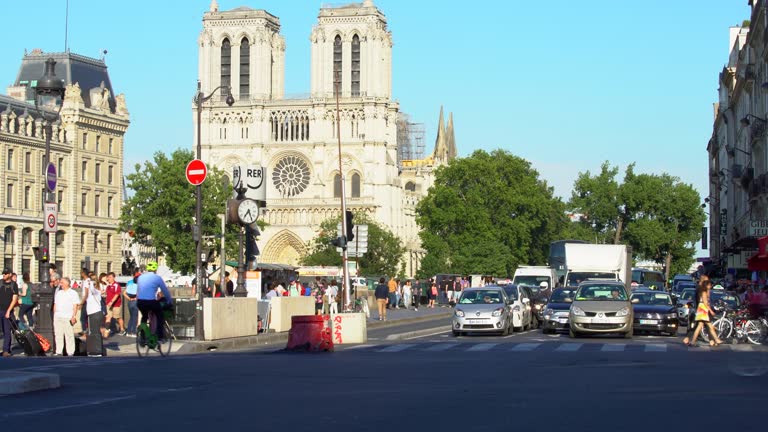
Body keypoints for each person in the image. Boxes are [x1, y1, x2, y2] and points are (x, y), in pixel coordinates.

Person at [136, 261, 174, 341]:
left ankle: (142, 336)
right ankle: (160, 336)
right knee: (160, 316)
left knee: (144, 316)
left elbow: (138, 291)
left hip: (140, 302)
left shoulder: (140, 277)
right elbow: (165, 291)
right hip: (150, 301)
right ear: (155, 269)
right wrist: (169, 301)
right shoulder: (157, 278)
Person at [687, 278, 723, 347]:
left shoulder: (705, 292)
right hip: (703, 310)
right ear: (706, 285)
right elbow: (705, 303)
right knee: (709, 325)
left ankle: (692, 341)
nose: (710, 286)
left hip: (702, 309)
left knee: (700, 326)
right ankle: (716, 339)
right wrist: (711, 311)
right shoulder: (703, 292)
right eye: (709, 285)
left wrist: (708, 291)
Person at [53, 277, 79, 356]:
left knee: (69, 335)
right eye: (60, 283)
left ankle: (70, 351)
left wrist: (73, 316)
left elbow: (75, 306)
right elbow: (55, 304)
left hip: (68, 316)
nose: (61, 284)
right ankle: (59, 351)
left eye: (62, 283)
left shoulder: (73, 293)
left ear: (67, 283)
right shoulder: (59, 293)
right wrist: (55, 314)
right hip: (58, 316)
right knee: (58, 334)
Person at [84, 271, 105, 356]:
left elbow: (92, 289)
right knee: (92, 332)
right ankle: (93, 349)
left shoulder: (96, 291)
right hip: (92, 313)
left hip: (95, 313)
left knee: (95, 332)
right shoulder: (94, 292)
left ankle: (97, 351)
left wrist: (89, 281)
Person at [0, 269, 19, 357]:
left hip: (7, 311)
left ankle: (6, 350)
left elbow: (14, 299)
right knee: (2, 331)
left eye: (6, 273)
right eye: (3, 273)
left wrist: (8, 311)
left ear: (10, 274)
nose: (4, 275)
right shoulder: (0, 283)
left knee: (7, 331)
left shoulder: (13, 285)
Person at [123, 272, 139, 337]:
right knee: (135, 317)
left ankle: (128, 332)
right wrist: (135, 298)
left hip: (129, 302)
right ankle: (134, 332)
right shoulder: (139, 284)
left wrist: (129, 298)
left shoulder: (129, 283)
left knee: (131, 316)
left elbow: (124, 293)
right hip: (135, 301)